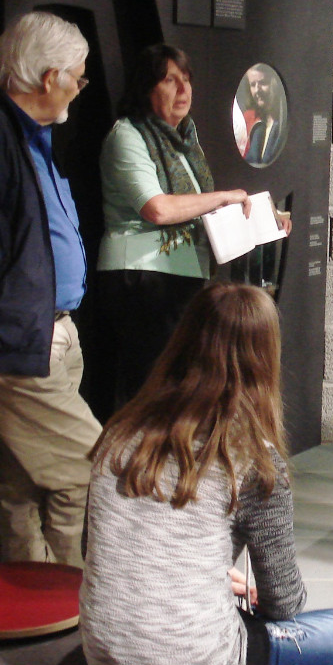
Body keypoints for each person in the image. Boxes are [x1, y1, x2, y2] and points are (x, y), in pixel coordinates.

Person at [79, 282, 333, 665]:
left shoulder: (120, 432)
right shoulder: (253, 459)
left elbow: (96, 550)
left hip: (105, 660)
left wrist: (209, 574)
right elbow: (283, 604)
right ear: (266, 357)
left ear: (184, 341)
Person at [0, 11, 101, 567]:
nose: (79, 87)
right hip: (16, 343)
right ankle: (66, 592)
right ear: (50, 77)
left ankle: (39, 595)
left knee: (23, 480)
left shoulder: (23, 131)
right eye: (78, 77)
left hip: (49, 334)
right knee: (92, 465)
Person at [96, 44, 265, 410]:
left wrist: (264, 220)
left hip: (181, 279)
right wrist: (222, 198)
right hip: (142, 277)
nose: (183, 89)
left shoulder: (186, 140)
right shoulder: (128, 135)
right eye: (170, 80)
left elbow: (197, 209)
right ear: (146, 87)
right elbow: (157, 209)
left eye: (187, 79)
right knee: (148, 389)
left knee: (176, 388)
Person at [237, 63, 286, 166]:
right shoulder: (256, 125)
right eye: (252, 85)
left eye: (263, 83)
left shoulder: (284, 124)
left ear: (274, 84)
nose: (257, 90)